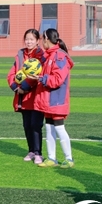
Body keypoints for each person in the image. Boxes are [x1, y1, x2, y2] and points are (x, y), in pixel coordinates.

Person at [29, 28, 75, 168]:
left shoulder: (59, 56)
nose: (42, 42)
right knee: (49, 128)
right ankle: (51, 158)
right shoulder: (49, 56)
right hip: (48, 100)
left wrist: (41, 79)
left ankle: (69, 158)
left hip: (56, 100)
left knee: (60, 128)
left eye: (43, 39)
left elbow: (58, 79)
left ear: (47, 39)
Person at [7, 29, 45, 164]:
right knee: (27, 125)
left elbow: (38, 75)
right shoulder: (20, 54)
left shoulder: (41, 55)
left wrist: (24, 87)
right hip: (22, 97)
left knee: (36, 124)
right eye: (27, 39)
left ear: (37, 41)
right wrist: (15, 87)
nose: (29, 42)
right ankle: (30, 151)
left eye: (32, 39)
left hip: (36, 96)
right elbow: (11, 73)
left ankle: (38, 153)